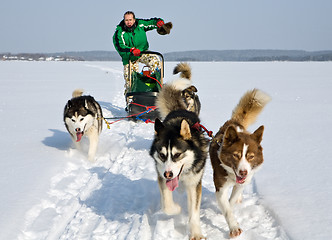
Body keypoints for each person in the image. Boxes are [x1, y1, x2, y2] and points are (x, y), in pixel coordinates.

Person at [113, 11, 172, 94]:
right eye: (126, 20)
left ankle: (154, 87)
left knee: (155, 61)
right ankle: (130, 99)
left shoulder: (140, 24)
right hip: (130, 57)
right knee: (129, 79)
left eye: (130, 20)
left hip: (143, 52)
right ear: (124, 20)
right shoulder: (119, 32)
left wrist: (159, 22)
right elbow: (120, 47)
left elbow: (151, 22)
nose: (129, 22)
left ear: (134, 20)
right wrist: (131, 50)